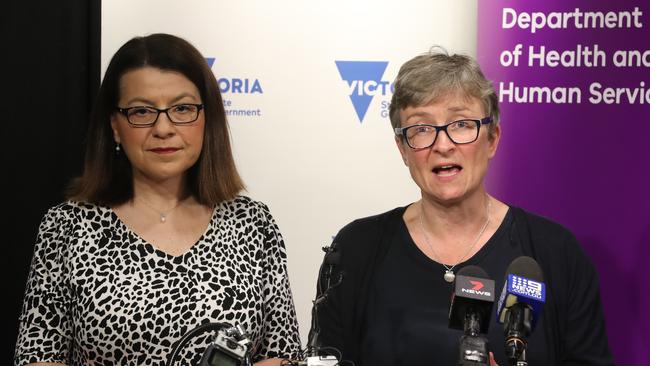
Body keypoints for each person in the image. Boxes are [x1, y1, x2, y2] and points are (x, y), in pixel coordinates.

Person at [312, 48, 614, 365]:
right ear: (402, 149)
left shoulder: (555, 253)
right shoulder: (355, 249)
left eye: (461, 124)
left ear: (492, 138)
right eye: (422, 129)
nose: (443, 145)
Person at [14, 33, 301, 366]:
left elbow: (282, 354)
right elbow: (38, 356)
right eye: (141, 111)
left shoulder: (253, 223)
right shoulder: (67, 227)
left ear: (207, 119)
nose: (163, 128)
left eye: (182, 108)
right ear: (115, 126)